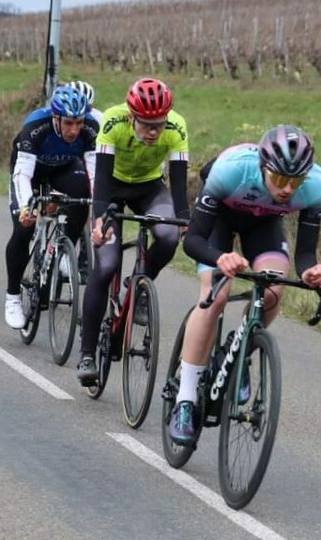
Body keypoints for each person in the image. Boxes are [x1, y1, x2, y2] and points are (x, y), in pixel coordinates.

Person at [168, 125, 321, 447]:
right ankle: (184, 401)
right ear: (262, 167)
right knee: (215, 296)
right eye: (280, 179)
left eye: (295, 181)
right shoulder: (231, 171)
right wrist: (220, 258)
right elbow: (193, 241)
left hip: (263, 225)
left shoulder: (317, 186)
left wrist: (312, 271)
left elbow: (305, 254)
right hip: (218, 223)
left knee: (273, 290)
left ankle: (239, 348)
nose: (287, 189)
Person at [76, 77, 190, 386]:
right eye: (146, 125)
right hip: (111, 188)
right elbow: (99, 181)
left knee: (167, 236)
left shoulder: (177, 127)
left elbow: (179, 187)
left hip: (149, 189)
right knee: (107, 264)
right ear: (131, 116)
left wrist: (185, 223)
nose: (154, 132)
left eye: (159, 124)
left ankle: (140, 284)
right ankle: (87, 354)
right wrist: (99, 220)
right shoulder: (112, 121)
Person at [3, 85, 98, 329]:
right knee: (24, 229)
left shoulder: (90, 129)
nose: (74, 130)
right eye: (68, 123)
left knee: (82, 194)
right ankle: (12, 297)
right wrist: (27, 207)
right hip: (31, 171)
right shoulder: (37, 126)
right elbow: (22, 174)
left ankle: (67, 247)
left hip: (63, 168)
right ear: (56, 117)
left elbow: (94, 174)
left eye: (78, 122)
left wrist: (100, 208)